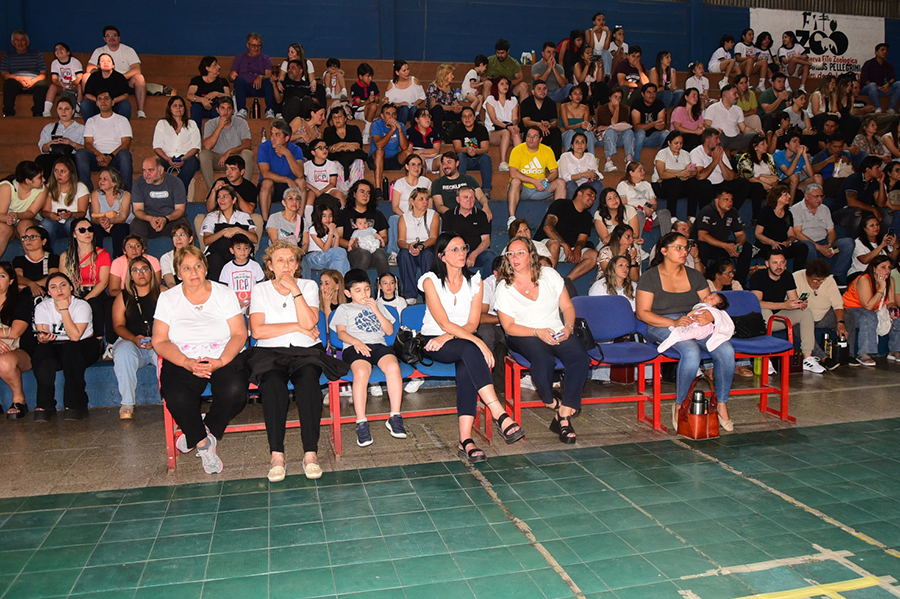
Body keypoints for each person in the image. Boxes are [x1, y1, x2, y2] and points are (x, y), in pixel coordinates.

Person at [419, 232, 526, 462]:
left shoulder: (475, 281)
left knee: (466, 364)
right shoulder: (430, 280)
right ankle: (499, 413)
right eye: (454, 249)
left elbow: (471, 323)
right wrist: (476, 341)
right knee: (470, 350)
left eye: (463, 247)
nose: (461, 253)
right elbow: (443, 323)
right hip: (433, 340)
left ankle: (465, 440)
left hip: (460, 339)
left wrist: (459, 337)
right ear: (442, 256)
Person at [249, 241, 346, 481]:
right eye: (279, 260)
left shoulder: (308, 286)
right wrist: (296, 326)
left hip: (305, 351)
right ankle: (277, 455)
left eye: (291, 260)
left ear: (297, 265)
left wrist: (295, 291)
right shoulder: (260, 290)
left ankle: (310, 454)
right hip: (270, 352)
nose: (285, 265)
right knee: (272, 386)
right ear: (269, 265)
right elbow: (258, 332)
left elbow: (311, 322)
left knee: (309, 385)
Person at [153, 245, 249, 474]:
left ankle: (200, 429)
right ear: (178, 272)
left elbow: (239, 333)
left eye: (197, 266)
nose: (193, 272)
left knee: (235, 392)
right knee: (176, 396)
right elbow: (159, 340)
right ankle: (204, 444)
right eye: (186, 268)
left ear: (205, 268)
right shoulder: (168, 298)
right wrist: (186, 362)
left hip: (222, 354)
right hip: (183, 356)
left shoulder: (224, 293)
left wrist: (221, 361)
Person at [636, 232, 737, 431]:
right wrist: (672, 323)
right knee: (691, 351)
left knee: (726, 350)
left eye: (686, 247)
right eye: (678, 248)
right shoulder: (650, 277)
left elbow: (711, 304)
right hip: (661, 323)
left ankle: (722, 403)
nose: (684, 252)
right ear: (664, 251)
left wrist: (711, 316)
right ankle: (680, 403)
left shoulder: (694, 275)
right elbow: (642, 314)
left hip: (695, 322)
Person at [496, 236, 589, 443]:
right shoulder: (504, 287)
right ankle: (550, 402)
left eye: (520, 252)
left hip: (556, 329)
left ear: (531, 255)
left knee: (580, 357)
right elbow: (509, 326)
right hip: (524, 334)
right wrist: (537, 332)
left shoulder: (550, 275)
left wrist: (568, 328)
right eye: (510, 254)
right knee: (543, 359)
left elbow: (567, 307)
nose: (514, 257)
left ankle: (563, 416)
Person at [331, 268, 407, 446]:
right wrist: (356, 342)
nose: (364, 294)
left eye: (366, 289)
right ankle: (361, 422)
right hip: (354, 346)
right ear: (348, 293)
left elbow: (389, 331)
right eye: (358, 291)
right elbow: (341, 333)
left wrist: (376, 310)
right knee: (362, 373)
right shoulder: (344, 308)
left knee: (393, 367)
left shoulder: (378, 305)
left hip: (378, 345)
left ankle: (395, 416)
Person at [32, 272, 101, 421]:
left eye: (63, 285)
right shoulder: (42, 307)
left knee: (71, 350)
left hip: (84, 345)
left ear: (71, 287)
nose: (59, 290)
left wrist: (64, 310)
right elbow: (42, 333)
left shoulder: (82, 305)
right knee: (41, 351)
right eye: (53, 287)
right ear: (48, 292)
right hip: (56, 345)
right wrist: (42, 339)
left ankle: (76, 404)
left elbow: (75, 336)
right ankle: (45, 406)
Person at [750, 249, 825, 373]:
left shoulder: (787, 275)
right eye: (775, 263)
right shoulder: (759, 276)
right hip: (761, 319)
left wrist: (799, 304)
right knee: (766, 310)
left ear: (785, 264)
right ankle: (765, 359)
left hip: (778, 317)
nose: (778, 266)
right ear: (767, 264)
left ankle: (807, 358)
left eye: (782, 263)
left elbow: (793, 299)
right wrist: (784, 305)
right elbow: (757, 302)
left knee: (806, 313)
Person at [110, 255, 158, 419]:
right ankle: (127, 402)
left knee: (167, 352)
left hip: (159, 341)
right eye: (135, 270)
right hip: (132, 342)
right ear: (130, 275)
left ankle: (171, 401)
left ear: (151, 272)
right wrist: (133, 338)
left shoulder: (164, 293)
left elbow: (175, 321)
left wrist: (157, 340)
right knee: (123, 351)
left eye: (144, 269)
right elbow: (118, 325)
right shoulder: (123, 296)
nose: (141, 273)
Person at [533, 184, 599, 282]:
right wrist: (565, 245)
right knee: (555, 244)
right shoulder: (561, 204)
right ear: (579, 193)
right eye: (590, 194)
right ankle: (550, 281)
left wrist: (578, 248)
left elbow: (582, 239)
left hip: (567, 250)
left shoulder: (587, 217)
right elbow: (547, 227)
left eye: (594, 197)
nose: (592, 199)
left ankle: (567, 281)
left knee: (594, 255)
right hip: (545, 246)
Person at [842, 256, 900, 365]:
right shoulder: (864, 279)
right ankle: (864, 353)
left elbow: (891, 301)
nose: (887, 271)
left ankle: (895, 350)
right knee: (868, 316)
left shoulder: (890, 280)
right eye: (883, 267)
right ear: (874, 268)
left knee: (898, 314)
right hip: (850, 309)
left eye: (889, 267)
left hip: (874, 309)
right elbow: (868, 305)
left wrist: (893, 310)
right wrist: (882, 288)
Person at [59, 217, 110, 339]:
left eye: (90, 229)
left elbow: (103, 283)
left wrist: (85, 299)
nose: (87, 233)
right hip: (74, 292)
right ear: (74, 234)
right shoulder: (66, 256)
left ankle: (98, 340)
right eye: (82, 230)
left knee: (94, 304)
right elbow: (63, 282)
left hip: (95, 292)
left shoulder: (102, 254)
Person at [791, 183, 854, 283]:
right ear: (807, 196)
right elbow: (797, 234)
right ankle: (816, 275)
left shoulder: (824, 209)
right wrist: (819, 248)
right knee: (809, 246)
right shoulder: (795, 209)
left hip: (825, 242)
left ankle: (836, 276)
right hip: (807, 243)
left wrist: (830, 244)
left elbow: (831, 231)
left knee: (847, 243)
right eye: (816, 196)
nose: (820, 199)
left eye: (821, 196)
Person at [793, 259, 848, 369]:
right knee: (796, 323)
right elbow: (788, 303)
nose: (818, 283)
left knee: (848, 315)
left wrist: (840, 322)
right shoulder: (795, 278)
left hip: (824, 315)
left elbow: (838, 304)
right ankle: (823, 358)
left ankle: (848, 355)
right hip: (804, 316)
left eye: (821, 280)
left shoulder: (829, 280)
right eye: (815, 280)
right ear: (807, 276)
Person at [74, 91, 133, 192]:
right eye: (99, 99)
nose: (103, 101)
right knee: (81, 154)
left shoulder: (122, 120)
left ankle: (126, 192)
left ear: (113, 102)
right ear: (96, 103)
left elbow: (126, 143)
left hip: (115, 158)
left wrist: (110, 156)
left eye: (106, 98)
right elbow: (88, 143)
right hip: (97, 158)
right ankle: (86, 191)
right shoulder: (91, 121)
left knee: (125, 154)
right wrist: (98, 155)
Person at [506, 127, 566, 225]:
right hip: (523, 189)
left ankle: (558, 217)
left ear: (540, 139)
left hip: (541, 187)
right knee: (515, 181)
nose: (531, 139)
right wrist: (534, 181)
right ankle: (511, 219)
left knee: (561, 182)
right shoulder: (517, 150)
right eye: (529, 136)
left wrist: (545, 180)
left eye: (535, 136)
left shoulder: (547, 150)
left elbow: (555, 172)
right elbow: (513, 173)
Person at [86, 25, 146, 118]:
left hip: (124, 81)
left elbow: (137, 69)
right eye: (108, 36)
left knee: (139, 77)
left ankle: (140, 111)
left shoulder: (128, 50)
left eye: (114, 35)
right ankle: (78, 108)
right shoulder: (99, 51)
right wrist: (101, 75)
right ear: (104, 39)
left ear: (119, 38)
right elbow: (89, 68)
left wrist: (119, 78)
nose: (111, 38)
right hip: (102, 82)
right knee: (86, 76)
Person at [693, 190, 753, 284]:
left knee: (746, 247)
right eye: (726, 200)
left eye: (731, 200)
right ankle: (702, 282)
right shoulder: (708, 211)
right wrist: (725, 246)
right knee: (702, 246)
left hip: (722, 245)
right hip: (707, 245)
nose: (729, 203)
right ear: (717, 200)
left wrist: (738, 245)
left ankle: (739, 283)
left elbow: (740, 234)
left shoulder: (732, 212)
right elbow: (702, 236)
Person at [201, 185, 258, 280]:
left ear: (234, 200)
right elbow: (206, 241)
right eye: (219, 197)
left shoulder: (243, 216)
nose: (221, 200)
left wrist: (238, 230)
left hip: (238, 254)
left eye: (225, 196)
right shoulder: (212, 216)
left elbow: (254, 239)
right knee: (215, 260)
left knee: (242, 258)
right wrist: (223, 231)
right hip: (217, 254)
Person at [0, 263, 34, 420]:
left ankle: (19, 400)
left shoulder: (21, 300)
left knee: (4, 362)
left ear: (11, 280)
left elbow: (15, 333)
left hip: (20, 352)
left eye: (2, 276)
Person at [440, 186, 495, 280]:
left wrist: (473, 255)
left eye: (472, 197)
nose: (469, 200)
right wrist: (461, 254)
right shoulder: (449, 215)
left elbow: (486, 241)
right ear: (458, 199)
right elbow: (446, 241)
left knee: (490, 256)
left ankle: (487, 287)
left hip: (476, 252)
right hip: (456, 252)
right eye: (465, 197)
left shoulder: (481, 215)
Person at [199, 98, 254, 189]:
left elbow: (248, 144)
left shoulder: (241, 123)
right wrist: (219, 127)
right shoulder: (210, 124)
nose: (225, 112)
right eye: (222, 108)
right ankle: (213, 191)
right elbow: (207, 146)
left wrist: (229, 152)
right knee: (204, 154)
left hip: (235, 157)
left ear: (233, 111)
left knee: (248, 153)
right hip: (218, 159)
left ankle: (244, 191)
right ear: (217, 110)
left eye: (228, 109)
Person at [257, 120, 305, 220]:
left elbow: (300, 174)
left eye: (277, 135)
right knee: (266, 183)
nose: (273, 138)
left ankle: (299, 221)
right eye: (272, 134)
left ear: (286, 138)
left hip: (289, 188)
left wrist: (288, 154)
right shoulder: (264, 147)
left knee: (301, 182)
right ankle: (265, 221)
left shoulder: (296, 149)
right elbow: (265, 173)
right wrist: (287, 179)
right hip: (272, 186)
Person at [338, 181, 390, 275]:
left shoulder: (377, 215)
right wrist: (352, 244)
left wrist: (377, 242)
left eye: (368, 193)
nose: (365, 195)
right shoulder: (343, 214)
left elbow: (385, 237)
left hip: (373, 249)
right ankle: (355, 284)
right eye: (362, 191)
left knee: (381, 254)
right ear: (354, 194)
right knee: (364, 254)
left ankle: (385, 286)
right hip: (354, 252)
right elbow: (339, 238)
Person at [690, 128, 748, 211]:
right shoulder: (696, 152)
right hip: (708, 185)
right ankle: (706, 215)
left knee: (743, 183)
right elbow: (700, 176)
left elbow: (730, 177)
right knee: (705, 185)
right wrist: (715, 161)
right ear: (707, 140)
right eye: (716, 139)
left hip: (721, 184)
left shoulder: (719, 151)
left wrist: (720, 161)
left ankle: (730, 213)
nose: (719, 141)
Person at [152, 96, 201, 194]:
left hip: (186, 157)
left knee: (193, 162)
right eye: (175, 106)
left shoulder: (192, 123)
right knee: (155, 164)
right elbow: (156, 146)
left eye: (181, 106)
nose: (178, 108)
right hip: (167, 157)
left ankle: (176, 188)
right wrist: (167, 158)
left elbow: (196, 147)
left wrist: (183, 159)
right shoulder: (162, 123)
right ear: (170, 108)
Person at [130, 157, 187, 239]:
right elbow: (137, 210)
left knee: (183, 227)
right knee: (136, 226)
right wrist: (150, 218)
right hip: (148, 220)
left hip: (170, 219)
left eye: (151, 170)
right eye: (144, 170)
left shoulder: (175, 182)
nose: (146, 174)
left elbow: (180, 210)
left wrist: (165, 219)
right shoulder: (139, 183)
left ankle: (184, 252)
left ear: (161, 170)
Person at [658, 292, 735, 353]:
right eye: (710, 295)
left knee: (692, 331)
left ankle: (678, 335)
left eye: (712, 299)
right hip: (698, 325)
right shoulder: (702, 305)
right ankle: (678, 335)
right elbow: (695, 311)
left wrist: (689, 315)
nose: (708, 297)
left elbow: (718, 316)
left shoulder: (709, 308)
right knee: (692, 333)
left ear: (715, 307)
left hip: (705, 326)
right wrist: (689, 316)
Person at [398, 188, 439, 301]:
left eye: (426, 199)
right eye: (421, 199)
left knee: (427, 255)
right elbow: (400, 240)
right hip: (410, 246)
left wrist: (422, 246)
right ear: (412, 201)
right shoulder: (404, 217)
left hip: (427, 246)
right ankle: (410, 294)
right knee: (404, 255)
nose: (425, 202)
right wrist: (408, 246)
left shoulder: (433, 215)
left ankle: (428, 294)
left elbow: (434, 238)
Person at [0, 161, 46, 260]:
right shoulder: (7, 187)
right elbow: (1, 214)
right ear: (28, 181)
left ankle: (34, 262)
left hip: (26, 220)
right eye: (40, 178)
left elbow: (31, 213)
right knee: (3, 228)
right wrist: (7, 218)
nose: (44, 180)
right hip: (7, 224)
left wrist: (17, 215)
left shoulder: (42, 190)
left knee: (25, 226)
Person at [754, 185, 808, 270]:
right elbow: (758, 234)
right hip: (767, 245)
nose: (789, 197)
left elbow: (792, 234)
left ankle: (797, 273)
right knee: (776, 252)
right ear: (777, 197)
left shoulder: (788, 214)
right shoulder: (765, 212)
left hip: (782, 245)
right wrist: (772, 242)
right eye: (785, 194)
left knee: (802, 247)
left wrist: (788, 242)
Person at [389, 154, 433, 258]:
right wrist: (407, 218)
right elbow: (395, 207)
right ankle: (393, 253)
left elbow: (429, 204)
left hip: (422, 216)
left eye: (419, 165)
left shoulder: (426, 182)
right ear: (407, 166)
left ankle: (436, 251)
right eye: (413, 164)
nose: (416, 168)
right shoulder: (400, 183)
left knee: (437, 219)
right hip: (403, 215)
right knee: (393, 219)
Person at [38, 158, 89, 246]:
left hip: (72, 220)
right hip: (56, 223)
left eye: (63, 171)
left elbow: (82, 213)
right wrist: (51, 215)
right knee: (46, 223)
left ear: (71, 172)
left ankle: (75, 253)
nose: (58, 175)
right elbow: (45, 212)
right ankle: (49, 254)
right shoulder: (49, 187)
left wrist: (70, 214)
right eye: (56, 171)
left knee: (71, 223)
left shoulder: (80, 187)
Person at [616, 161, 672, 238]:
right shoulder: (623, 185)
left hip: (649, 215)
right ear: (631, 173)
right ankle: (636, 242)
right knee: (639, 213)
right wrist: (642, 209)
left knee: (665, 213)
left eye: (643, 170)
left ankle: (667, 242)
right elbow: (624, 204)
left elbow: (654, 204)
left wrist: (651, 209)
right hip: (632, 215)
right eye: (640, 170)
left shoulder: (647, 185)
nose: (643, 172)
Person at [834, 156, 887, 236]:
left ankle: (882, 243)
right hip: (842, 211)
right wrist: (873, 210)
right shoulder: (854, 179)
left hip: (864, 210)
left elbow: (881, 204)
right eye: (877, 168)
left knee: (887, 213)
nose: (880, 171)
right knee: (857, 212)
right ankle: (852, 242)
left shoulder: (874, 181)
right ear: (867, 169)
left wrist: (881, 183)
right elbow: (852, 203)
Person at [1, 30, 48, 117]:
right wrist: (19, 79)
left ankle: (37, 113)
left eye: (22, 40)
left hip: (34, 81)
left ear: (28, 42)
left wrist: (32, 81)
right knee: (8, 84)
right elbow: (4, 74)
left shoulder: (36, 54)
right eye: (17, 40)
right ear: (12, 43)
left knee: (43, 85)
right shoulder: (7, 56)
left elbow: (43, 73)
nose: (20, 42)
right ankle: (8, 114)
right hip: (16, 81)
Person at [35, 97, 84, 180]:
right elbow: (43, 148)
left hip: (71, 156)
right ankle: (42, 186)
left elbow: (87, 148)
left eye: (67, 109)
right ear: (57, 111)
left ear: (72, 111)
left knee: (73, 161)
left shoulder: (82, 128)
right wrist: (51, 143)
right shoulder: (49, 127)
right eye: (60, 109)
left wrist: (71, 143)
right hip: (53, 155)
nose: (63, 112)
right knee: (41, 159)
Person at [369, 103, 412, 197]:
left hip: (393, 160)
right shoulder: (377, 124)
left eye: (394, 114)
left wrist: (400, 130)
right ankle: (378, 189)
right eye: (388, 114)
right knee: (380, 151)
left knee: (408, 153)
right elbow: (379, 144)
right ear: (382, 116)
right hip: (377, 159)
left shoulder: (400, 125)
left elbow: (404, 147)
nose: (391, 117)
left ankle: (411, 185)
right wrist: (392, 131)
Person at [230, 32, 275, 118]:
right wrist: (232, 76)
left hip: (260, 88)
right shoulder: (239, 58)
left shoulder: (266, 59)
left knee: (269, 82)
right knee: (239, 81)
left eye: (258, 46)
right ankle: (242, 110)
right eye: (253, 46)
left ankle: (269, 110)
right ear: (247, 45)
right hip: (245, 88)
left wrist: (261, 77)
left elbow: (269, 75)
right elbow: (231, 77)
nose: (256, 48)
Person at [90, 167, 133, 258]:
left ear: (114, 182)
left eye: (105, 179)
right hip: (103, 225)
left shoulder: (125, 195)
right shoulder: (95, 194)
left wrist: (109, 221)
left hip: (120, 224)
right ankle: (96, 257)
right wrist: (101, 221)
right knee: (94, 228)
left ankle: (118, 257)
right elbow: (94, 217)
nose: (101, 181)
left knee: (119, 228)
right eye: (100, 179)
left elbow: (123, 217)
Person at [654, 131, 699, 218]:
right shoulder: (662, 153)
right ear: (669, 142)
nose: (679, 146)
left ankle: (691, 216)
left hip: (680, 183)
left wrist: (692, 172)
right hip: (662, 185)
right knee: (675, 182)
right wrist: (678, 174)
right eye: (676, 143)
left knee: (693, 183)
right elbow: (662, 174)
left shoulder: (685, 154)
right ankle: (672, 216)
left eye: (681, 143)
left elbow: (688, 169)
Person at [300, 202, 350, 279]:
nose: (328, 219)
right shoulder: (313, 229)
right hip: (314, 257)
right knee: (341, 251)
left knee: (339, 257)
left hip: (326, 257)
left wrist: (336, 236)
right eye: (324, 216)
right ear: (319, 217)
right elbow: (325, 248)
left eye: (330, 216)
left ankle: (340, 282)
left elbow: (335, 250)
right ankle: (343, 282)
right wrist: (331, 233)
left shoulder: (332, 229)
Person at [704, 84, 760, 151]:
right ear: (726, 95)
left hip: (735, 138)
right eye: (735, 94)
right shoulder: (713, 108)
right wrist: (715, 130)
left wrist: (755, 130)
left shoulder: (738, 109)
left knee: (757, 136)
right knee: (720, 136)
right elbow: (706, 125)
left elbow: (744, 128)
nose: (737, 96)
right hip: (720, 137)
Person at [736, 134, 780, 219]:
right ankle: (756, 218)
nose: (766, 146)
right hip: (754, 185)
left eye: (766, 143)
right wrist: (765, 185)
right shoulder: (746, 158)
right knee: (757, 187)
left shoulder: (769, 157)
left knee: (783, 186)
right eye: (763, 144)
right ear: (755, 146)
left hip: (770, 183)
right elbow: (748, 177)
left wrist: (774, 184)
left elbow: (776, 174)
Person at [451, 107, 493, 197]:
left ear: (474, 117)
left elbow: (485, 149)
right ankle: (461, 188)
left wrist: (476, 151)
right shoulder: (457, 129)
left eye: (470, 116)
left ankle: (486, 189)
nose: (467, 119)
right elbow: (457, 149)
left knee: (486, 157)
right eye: (464, 116)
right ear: (461, 119)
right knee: (460, 156)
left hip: (478, 158)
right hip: (464, 160)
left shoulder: (481, 129)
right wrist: (466, 149)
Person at [219, 234, 264, 312]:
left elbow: (261, 286)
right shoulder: (227, 268)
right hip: (233, 302)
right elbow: (223, 289)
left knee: (256, 309)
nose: (243, 251)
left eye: (246, 248)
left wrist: (253, 299)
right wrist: (234, 301)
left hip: (252, 301)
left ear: (250, 250)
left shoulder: (255, 266)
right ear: (232, 250)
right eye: (239, 248)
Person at [483, 76, 522, 170]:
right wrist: (507, 126)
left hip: (509, 128)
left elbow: (515, 118)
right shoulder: (490, 100)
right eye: (502, 84)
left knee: (516, 133)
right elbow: (494, 120)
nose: (505, 86)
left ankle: (521, 161)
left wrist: (515, 125)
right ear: (496, 86)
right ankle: (503, 163)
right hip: (493, 131)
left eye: (507, 84)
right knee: (506, 132)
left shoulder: (513, 100)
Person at [323, 105, 367, 185]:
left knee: (358, 162)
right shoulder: (328, 131)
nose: (337, 119)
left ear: (345, 118)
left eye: (340, 116)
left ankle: (354, 189)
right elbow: (329, 149)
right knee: (335, 164)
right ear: (332, 120)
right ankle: (343, 191)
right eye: (334, 117)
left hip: (353, 157)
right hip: (336, 159)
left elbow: (357, 146)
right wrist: (345, 145)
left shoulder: (354, 129)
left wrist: (339, 146)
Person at [519, 80, 563, 159]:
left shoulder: (551, 103)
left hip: (545, 131)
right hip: (530, 131)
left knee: (556, 131)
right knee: (530, 132)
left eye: (544, 89)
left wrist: (549, 124)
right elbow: (526, 122)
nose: (542, 91)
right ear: (533, 91)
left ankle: (556, 161)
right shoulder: (526, 103)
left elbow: (555, 121)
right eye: (539, 89)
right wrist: (539, 125)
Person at [595, 86, 635, 172]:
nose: (617, 99)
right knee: (611, 131)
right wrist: (616, 109)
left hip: (620, 137)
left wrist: (613, 126)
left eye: (619, 97)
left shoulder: (624, 109)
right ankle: (608, 161)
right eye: (615, 96)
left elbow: (625, 124)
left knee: (629, 132)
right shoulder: (602, 109)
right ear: (610, 97)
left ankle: (629, 160)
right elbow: (613, 124)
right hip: (605, 138)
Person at [81, 53, 131, 120]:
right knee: (85, 103)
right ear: (98, 65)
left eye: (108, 61)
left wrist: (111, 101)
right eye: (102, 61)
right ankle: (90, 127)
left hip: (114, 105)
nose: (106, 63)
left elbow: (125, 95)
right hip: (97, 105)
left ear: (113, 65)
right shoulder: (93, 77)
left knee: (125, 105)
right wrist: (100, 101)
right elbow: (87, 94)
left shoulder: (119, 77)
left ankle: (122, 127)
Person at [848, 214, 899, 278]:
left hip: (881, 274)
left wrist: (896, 246)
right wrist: (881, 246)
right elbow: (865, 260)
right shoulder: (858, 242)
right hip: (861, 274)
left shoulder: (882, 239)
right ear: (864, 228)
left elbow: (894, 258)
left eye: (877, 224)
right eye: (872, 225)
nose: (876, 227)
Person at [186, 56, 231, 127]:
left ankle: (217, 135)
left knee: (218, 109)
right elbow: (189, 95)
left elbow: (228, 96)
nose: (219, 67)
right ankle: (197, 135)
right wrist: (202, 100)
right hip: (200, 107)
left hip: (216, 108)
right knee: (195, 108)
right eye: (215, 65)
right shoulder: (196, 80)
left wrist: (217, 94)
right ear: (208, 68)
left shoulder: (223, 81)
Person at [14, 226, 58, 297]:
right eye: (26, 237)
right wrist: (32, 285)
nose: (28, 240)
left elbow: (53, 277)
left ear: (44, 241)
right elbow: (18, 277)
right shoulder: (19, 260)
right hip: (24, 296)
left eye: (33, 237)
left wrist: (32, 287)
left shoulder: (53, 258)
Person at [559, 132, 603, 198]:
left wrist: (594, 176)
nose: (580, 145)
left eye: (583, 142)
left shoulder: (590, 156)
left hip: (585, 185)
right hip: (570, 184)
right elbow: (565, 177)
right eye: (577, 142)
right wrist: (582, 175)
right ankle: (572, 208)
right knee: (571, 184)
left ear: (586, 146)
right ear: (572, 145)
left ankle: (594, 209)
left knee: (598, 184)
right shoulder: (565, 156)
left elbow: (598, 175)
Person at [631, 83, 668, 160]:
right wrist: (653, 124)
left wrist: (660, 126)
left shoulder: (659, 104)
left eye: (654, 92)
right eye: (648, 92)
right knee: (641, 132)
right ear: (642, 94)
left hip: (652, 137)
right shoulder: (637, 103)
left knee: (666, 133)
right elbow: (636, 126)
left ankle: (661, 161)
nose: (652, 95)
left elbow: (662, 124)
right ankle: (635, 161)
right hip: (636, 138)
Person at [860, 44, 900, 114]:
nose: (885, 52)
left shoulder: (888, 65)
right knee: (873, 85)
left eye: (886, 50)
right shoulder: (869, 63)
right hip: (868, 89)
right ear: (876, 52)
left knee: (899, 84)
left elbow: (893, 78)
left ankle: (891, 108)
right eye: (882, 50)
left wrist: (888, 84)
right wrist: (877, 87)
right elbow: (864, 79)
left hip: (881, 89)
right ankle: (878, 107)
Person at [303, 139, 345, 207]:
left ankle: (344, 215)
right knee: (310, 196)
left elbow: (333, 183)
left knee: (339, 194)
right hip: (313, 189)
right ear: (313, 152)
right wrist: (315, 190)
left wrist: (322, 191)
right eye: (320, 148)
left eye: (326, 147)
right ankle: (308, 216)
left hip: (328, 189)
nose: (324, 150)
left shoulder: (331, 164)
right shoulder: (307, 165)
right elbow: (302, 181)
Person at [384, 60, 426, 126]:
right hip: (399, 111)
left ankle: (414, 131)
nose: (407, 72)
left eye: (408, 69)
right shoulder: (392, 84)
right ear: (397, 72)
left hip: (412, 109)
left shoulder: (415, 81)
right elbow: (389, 102)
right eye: (404, 71)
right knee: (404, 109)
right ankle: (401, 130)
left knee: (414, 110)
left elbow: (422, 96)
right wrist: (400, 104)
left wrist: (415, 103)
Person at [44, 41, 82, 114]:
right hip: (62, 85)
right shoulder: (54, 63)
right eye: (56, 50)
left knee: (80, 87)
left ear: (68, 52)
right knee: (52, 86)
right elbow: (54, 79)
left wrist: (74, 82)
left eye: (61, 49)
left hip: (74, 85)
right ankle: (46, 111)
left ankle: (77, 110)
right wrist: (59, 84)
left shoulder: (75, 62)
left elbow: (80, 76)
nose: (58, 51)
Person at [426, 63, 463, 135]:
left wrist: (457, 107)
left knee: (466, 110)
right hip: (437, 113)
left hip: (449, 113)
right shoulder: (433, 87)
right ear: (445, 75)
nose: (453, 76)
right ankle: (437, 133)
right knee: (438, 109)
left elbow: (455, 102)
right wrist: (451, 108)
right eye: (451, 74)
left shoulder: (451, 89)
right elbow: (432, 105)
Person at [559, 85, 596, 154]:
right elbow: (566, 127)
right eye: (575, 93)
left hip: (581, 135)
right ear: (570, 96)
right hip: (567, 134)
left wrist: (588, 127)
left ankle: (592, 159)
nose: (578, 96)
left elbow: (585, 126)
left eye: (580, 94)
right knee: (571, 133)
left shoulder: (585, 108)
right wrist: (579, 125)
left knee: (589, 133)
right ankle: (570, 158)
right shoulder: (564, 106)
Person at [350, 62, 380, 144]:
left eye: (371, 76)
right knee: (373, 106)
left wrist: (377, 100)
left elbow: (377, 100)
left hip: (371, 109)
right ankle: (366, 133)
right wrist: (368, 101)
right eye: (367, 76)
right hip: (359, 110)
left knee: (385, 105)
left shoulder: (373, 85)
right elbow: (358, 103)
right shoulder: (355, 87)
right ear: (361, 77)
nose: (370, 79)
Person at [670, 87, 706, 152]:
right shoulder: (679, 110)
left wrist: (702, 129)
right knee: (694, 138)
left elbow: (701, 126)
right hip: (680, 136)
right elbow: (677, 127)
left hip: (693, 136)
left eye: (697, 96)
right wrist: (694, 131)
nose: (696, 98)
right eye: (693, 96)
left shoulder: (697, 113)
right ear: (686, 97)